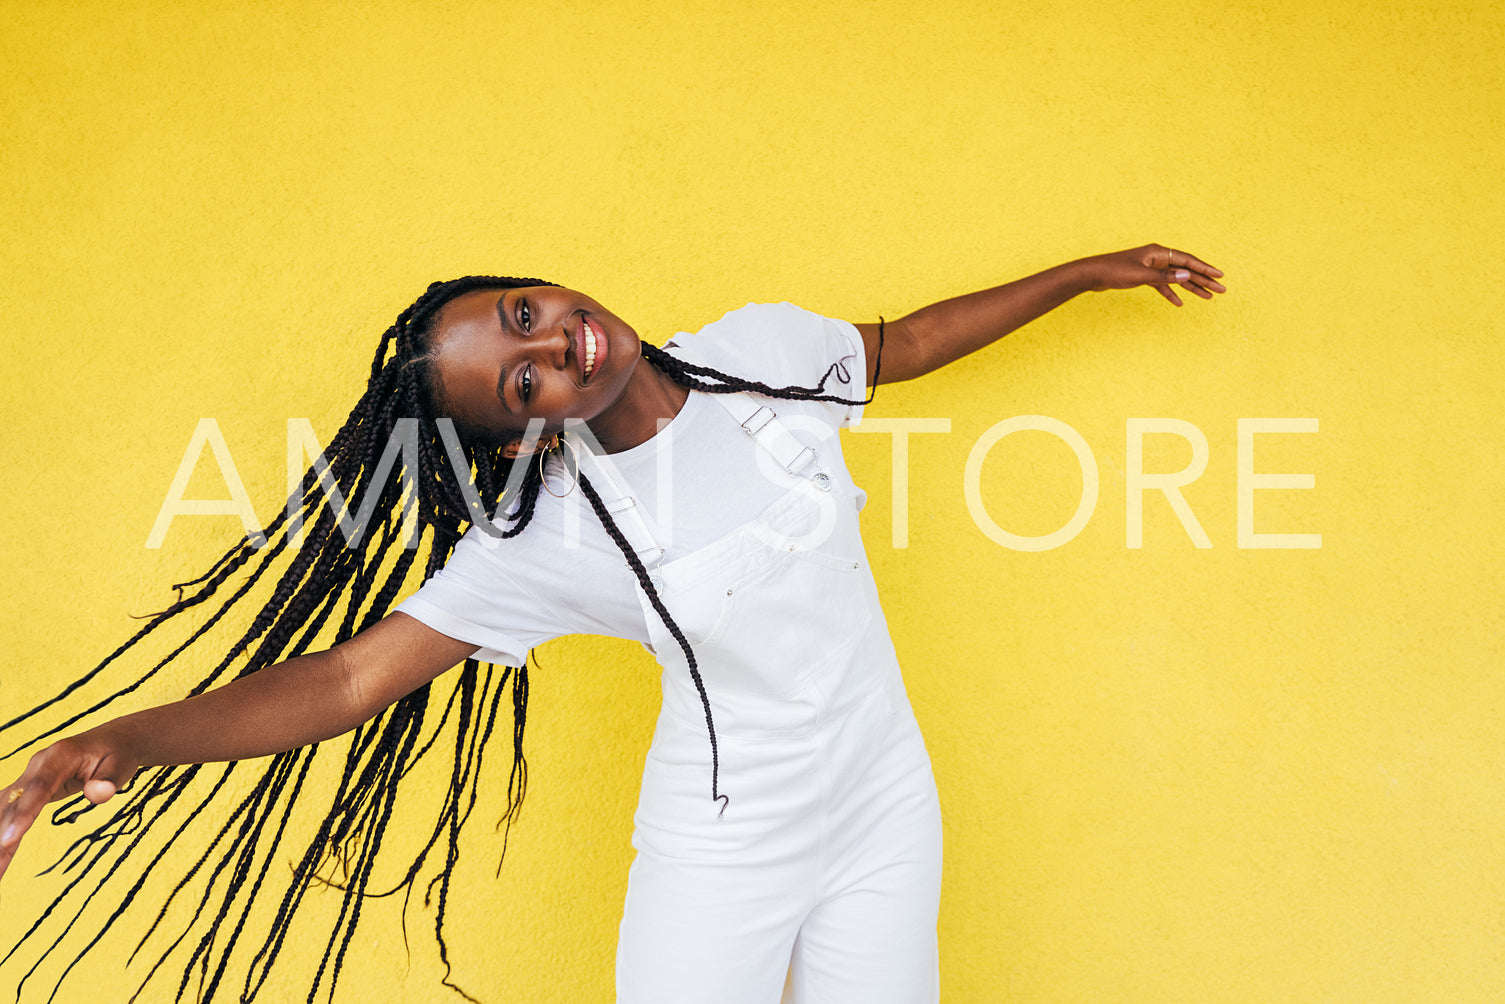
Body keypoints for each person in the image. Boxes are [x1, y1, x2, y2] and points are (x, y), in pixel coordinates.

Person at [0, 245, 1224, 1003]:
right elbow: (345, 682)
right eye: (519, 381)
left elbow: (899, 342)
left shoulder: (762, 350)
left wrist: (1080, 275)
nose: (555, 346)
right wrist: (119, 742)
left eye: (526, 314)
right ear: (522, 432)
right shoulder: (550, 534)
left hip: (885, 797)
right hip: (726, 846)